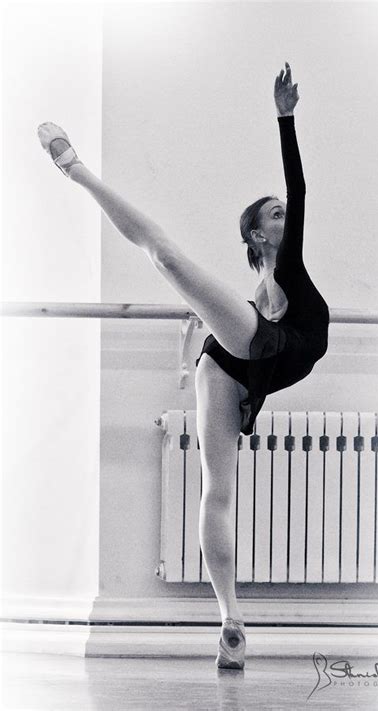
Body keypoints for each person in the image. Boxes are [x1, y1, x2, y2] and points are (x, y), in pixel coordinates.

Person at [37, 62, 330, 669]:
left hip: (270, 350)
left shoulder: (291, 272)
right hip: (232, 359)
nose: (284, 217)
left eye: (282, 213)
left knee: (170, 262)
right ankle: (231, 621)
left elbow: (300, 190)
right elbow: (240, 325)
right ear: (253, 235)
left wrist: (286, 119)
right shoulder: (255, 296)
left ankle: (78, 172)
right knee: (215, 490)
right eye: (271, 214)